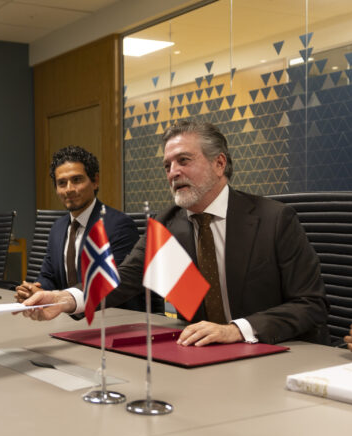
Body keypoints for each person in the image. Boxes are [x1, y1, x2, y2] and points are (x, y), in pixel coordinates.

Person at [23, 121, 329, 347]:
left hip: (276, 351)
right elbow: (123, 277)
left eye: (184, 160)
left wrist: (236, 329)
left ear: (219, 163)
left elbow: (310, 304)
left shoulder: (274, 219)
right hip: (203, 356)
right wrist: (65, 299)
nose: (173, 172)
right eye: (167, 165)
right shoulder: (169, 222)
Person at [15, 146, 141, 309]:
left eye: (77, 180)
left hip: (109, 319)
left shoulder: (118, 226)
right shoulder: (57, 228)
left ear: (95, 181)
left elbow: (111, 284)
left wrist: (62, 298)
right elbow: (48, 276)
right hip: (68, 317)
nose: (69, 189)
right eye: (62, 183)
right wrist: (35, 290)